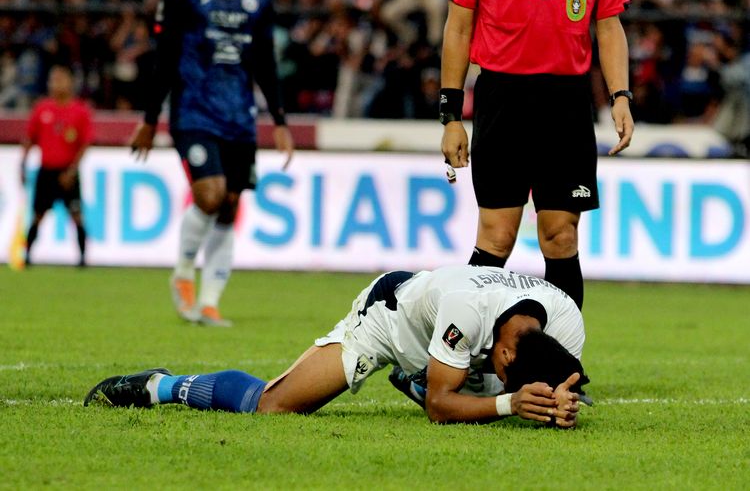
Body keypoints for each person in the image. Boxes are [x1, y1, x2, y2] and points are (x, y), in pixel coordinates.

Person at [84, 265, 591, 427]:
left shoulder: (567, 321)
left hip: (454, 338)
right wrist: (509, 402)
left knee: (467, 386)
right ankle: (162, 385)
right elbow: (441, 407)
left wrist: (560, 399)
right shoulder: (467, 311)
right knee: (274, 406)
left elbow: (559, 378)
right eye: (510, 377)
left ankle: (421, 373)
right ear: (505, 358)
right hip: (389, 315)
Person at [438, 0, 635, 310]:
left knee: (561, 235)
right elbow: (458, 28)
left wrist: (621, 96)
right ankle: (462, 348)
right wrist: (451, 117)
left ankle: (564, 353)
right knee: (496, 237)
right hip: (502, 98)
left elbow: (609, 26)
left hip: (567, 103)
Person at [129, 0, 295, 327]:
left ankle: (209, 303)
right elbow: (166, 54)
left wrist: (279, 121)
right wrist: (149, 119)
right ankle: (184, 273)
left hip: (239, 118)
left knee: (230, 204)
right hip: (194, 114)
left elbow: (264, 59)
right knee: (210, 194)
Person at [20, 64, 92, 268]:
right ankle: (27, 256)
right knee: (37, 216)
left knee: (76, 216)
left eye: (60, 79)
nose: (55, 83)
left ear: (70, 82)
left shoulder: (79, 111)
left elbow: (85, 144)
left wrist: (72, 170)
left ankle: (83, 259)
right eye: (53, 79)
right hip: (46, 171)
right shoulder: (42, 108)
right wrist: (23, 164)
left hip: (68, 171)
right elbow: (29, 138)